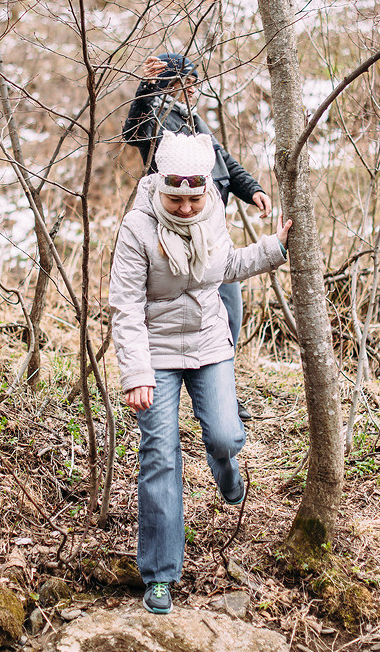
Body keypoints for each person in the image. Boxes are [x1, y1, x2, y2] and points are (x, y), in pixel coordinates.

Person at [109, 130, 292, 614]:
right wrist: (136, 373)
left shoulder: (212, 209)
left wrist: (276, 247)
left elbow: (226, 265)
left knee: (226, 437)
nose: (187, 208)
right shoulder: (137, 227)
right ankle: (160, 575)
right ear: (159, 185)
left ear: (206, 189)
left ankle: (226, 466)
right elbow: (125, 307)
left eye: (194, 198)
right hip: (158, 354)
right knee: (160, 458)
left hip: (210, 343)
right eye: (177, 199)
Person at [122, 53, 272, 421]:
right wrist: (147, 87)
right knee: (180, 315)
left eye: (193, 83)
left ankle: (223, 397)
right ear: (170, 85)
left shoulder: (195, 120)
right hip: (170, 232)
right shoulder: (159, 119)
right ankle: (171, 390)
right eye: (184, 83)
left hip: (211, 231)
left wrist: (251, 189)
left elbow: (224, 160)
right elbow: (132, 131)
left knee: (227, 317)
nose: (192, 90)